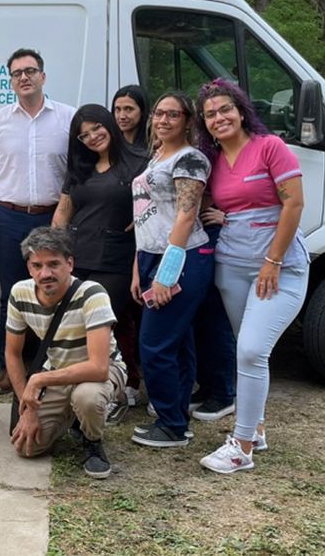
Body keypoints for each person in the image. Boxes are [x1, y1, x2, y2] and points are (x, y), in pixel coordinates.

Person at [194, 79, 309, 474]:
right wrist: (224, 215)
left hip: (279, 270)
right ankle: (255, 428)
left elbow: (293, 202)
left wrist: (272, 260)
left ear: (241, 111)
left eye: (225, 109)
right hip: (232, 266)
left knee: (251, 350)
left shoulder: (269, 147)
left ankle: (240, 447)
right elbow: (216, 201)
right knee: (248, 351)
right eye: (210, 114)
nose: (219, 118)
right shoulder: (211, 159)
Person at [0, 48, 76, 395]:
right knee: (11, 296)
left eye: (30, 71)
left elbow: (80, 173)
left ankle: (53, 368)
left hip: (53, 218)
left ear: (43, 77)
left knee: (57, 293)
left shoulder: (67, 118)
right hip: (9, 218)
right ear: (11, 81)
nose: (24, 77)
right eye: (17, 73)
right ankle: (9, 368)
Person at [6, 227, 128, 480]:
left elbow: (99, 367)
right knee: (28, 447)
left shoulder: (92, 294)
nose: (45, 273)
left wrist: (38, 380)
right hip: (59, 370)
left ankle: (92, 440)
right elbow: (12, 354)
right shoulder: (20, 293)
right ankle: (72, 418)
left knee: (87, 397)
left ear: (70, 263)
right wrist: (28, 410)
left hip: (100, 371)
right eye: (37, 265)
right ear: (29, 268)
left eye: (54, 264)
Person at [129, 91, 215, 449]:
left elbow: (186, 214)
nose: (163, 120)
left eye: (173, 115)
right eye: (159, 114)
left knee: (155, 344)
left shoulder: (190, 159)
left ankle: (170, 425)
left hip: (179, 258)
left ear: (188, 121)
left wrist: (167, 272)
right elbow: (144, 217)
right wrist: (139, 268)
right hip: (151, 256)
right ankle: (177, 418)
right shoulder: (157, 157)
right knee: (177, 343)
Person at [52, 103, 147, 418]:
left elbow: (164, 198)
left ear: (108, 124)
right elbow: (64, 212)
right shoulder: (80, 167)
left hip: (116, 260)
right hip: (78, 257)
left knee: (103, 327)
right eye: (84, 135)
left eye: (96, 128)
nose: (92, 137)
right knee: (76, 328)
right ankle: (82, 394)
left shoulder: (138, 162)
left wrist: (146, 213)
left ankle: (116, 391)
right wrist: (53, 255)